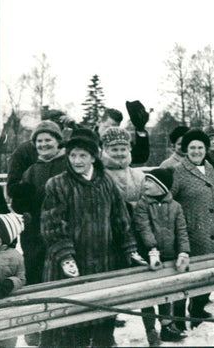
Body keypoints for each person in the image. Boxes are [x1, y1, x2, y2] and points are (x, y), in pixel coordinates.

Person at [39, 128, 147, 348]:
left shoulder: (106, 182)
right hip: (69, 266)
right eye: (73, 155)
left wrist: (130, 249)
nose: (77, 161)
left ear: (93, 157)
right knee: (71, 324)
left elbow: (120, 220)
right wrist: (66, 257)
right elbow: (52, 224)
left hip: (102, 262)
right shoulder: (57, 184)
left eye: (83, 155)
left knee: (102, 320)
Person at [169, 129, 214, 330]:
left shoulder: (210, 167)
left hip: (213, 229)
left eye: (200, 147)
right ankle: (178, 318)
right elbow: (170, 200)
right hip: (191, 232)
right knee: (186, 278)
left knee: (208, 273)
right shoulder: (178, 171)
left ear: (206, 149)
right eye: (192, 147)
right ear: (186, 149)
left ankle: (198, 308)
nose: (196, 151)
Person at [7, 121, 68, 290]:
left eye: (48, 139)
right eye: (39, 141)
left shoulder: (68, 165)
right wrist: (21, 198)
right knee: (35, 275)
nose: (43, 144)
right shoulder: (31, 170)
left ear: (58, 141)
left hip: (63, 231)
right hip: (35, 233)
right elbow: (19, 204)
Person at [133, 168, 190, 346]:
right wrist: (152, 249)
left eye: (150, 181)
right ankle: (150, 330)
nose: (146, 184)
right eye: (146, 181)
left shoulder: (175, 207)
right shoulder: (142, 205)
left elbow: (181, 230)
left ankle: (167, 326)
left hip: (169, 255)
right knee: (148, 294)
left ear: (162, 186)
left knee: (166, 292)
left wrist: (183, 251)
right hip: (149, 256)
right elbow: (143, 228)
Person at [100, 127, 146, 212]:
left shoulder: (138, 176)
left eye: (123, 149)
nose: (119, 154)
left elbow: (146, 205)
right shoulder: (98, 175)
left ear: (129, 149)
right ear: (105, 149)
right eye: (114, 150)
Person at [0, 212, 26, 348]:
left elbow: (21, 278)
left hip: (5, 305)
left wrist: (10, 283)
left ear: (3, 238)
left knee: (7, 338)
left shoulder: (15, 257)